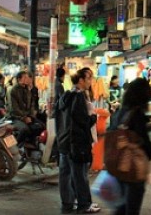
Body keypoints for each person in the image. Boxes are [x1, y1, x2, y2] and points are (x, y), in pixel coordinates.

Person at [108, 78, 151, 215]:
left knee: (121, 206)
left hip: (117, 167)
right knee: (131, 208)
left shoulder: (120, 113)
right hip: (133, 169)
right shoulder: (137, 115)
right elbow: (148, 147)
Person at [57, 68, 100, 214]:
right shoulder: (79, 96)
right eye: (88, 78)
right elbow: (82, 120)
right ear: (81, 80)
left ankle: (67, 204)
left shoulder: (65, 96)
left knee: (66, 175)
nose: (90, 81)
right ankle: (84, 204)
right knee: (80, 175)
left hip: (64, 142)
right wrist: (94, 118)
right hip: (76, 142)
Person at [8, 71, 42, 145]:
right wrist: (24, 118)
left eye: (27, 77)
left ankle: (30, 144)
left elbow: (31, 105)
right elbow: (14, 109)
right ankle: (16, 146)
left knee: (40, 126)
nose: (27, 79)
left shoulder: (27, 89)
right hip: (16, 117)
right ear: (19, 79)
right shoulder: (13, 90)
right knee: (24, 129)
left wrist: (31, 116)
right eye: (25, 77)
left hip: (28, 116)